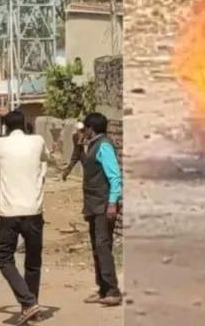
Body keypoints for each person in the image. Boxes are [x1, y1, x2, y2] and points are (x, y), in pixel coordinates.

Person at [0, 110, 49, 324]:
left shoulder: (0, 144)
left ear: (5, 127)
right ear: (26, 124)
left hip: (10, 213)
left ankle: (28, 302)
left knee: (4, 259)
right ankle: (32, 307)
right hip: (34, 211)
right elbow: (46, 157)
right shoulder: (37, 141)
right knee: (33, 262)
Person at [80, 112, 123, 306]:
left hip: (103, 205)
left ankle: (113, 290)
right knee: (98, 247)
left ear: (91, 128)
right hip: (94, 204)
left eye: (85, 128)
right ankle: (103, 289)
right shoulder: (93, 145)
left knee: (103, 246)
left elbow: (114, 177)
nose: (83, 132)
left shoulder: (103, 146)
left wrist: (112, 203)